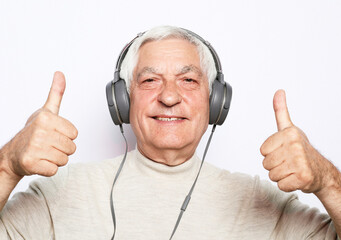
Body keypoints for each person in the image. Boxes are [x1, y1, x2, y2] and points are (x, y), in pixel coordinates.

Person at [0, 25, 340, 240]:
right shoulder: (59, 193)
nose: (169, 96)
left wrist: (327, 181)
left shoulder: (263, 202)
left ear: (216, 101)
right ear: (122, 100)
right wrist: (7, 167)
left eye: (188, 80)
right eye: (149, 80)